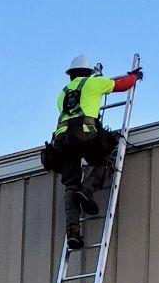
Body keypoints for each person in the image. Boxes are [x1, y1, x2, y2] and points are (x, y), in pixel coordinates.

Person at [41, 55, 143, 248]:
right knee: (103, 160)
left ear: (71, 75)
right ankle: (87, 190)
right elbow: (122, 85)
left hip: (61, 141)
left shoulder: (62, 94)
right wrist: (135, 77)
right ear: (88, 72)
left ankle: (73, 232)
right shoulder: (94, 83)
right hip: (84, 134)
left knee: (70, 185)